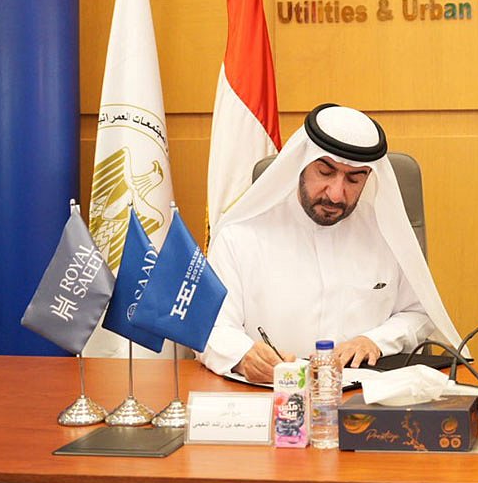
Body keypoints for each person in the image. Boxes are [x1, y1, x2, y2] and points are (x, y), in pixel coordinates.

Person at [197, 103, 462, 382]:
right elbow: (210, 325)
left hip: (365, 398)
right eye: (325, 172)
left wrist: (374, 341)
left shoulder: (386, 233)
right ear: (300, 163)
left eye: (354, 179)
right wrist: (241, 355)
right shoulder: (241, 234)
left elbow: (418, 313)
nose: (336, 195)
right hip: (271, 396)